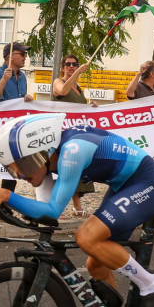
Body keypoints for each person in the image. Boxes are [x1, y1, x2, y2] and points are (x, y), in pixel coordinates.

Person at [0, 113, 154, 307]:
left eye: (23, 164)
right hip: (123, 186)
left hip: (149, 181)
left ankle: (152, 284)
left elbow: (52, 210)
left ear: (43, 152)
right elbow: (47, 217)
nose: (21, 174)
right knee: (95, 265)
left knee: (86, 236)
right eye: (13, 169)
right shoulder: (49, 161)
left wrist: (7, 196)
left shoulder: (72, 151)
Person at [0, 41, 34, 227]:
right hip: (0, 132)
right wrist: (4, 80)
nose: (25, 57)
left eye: (25, 54)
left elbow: (19, 103)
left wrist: (26, 99)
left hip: (16, 133)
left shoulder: (23, 77)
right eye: (22, 54)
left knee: (12, 172)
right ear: (10, 56)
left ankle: (4, 208)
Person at [50, 53, 96, 217]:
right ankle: (54, 206)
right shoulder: (58, 81)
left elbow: (78, 107)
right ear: (63, 67)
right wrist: (76, 74)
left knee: (74, 169)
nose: (71, 67)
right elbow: (62, 91)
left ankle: (77, 207)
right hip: (62, 134)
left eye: (74, 65)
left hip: (76, 135)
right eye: (68, 64)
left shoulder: (78, 87)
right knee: (61, 171)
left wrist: (90, 106)